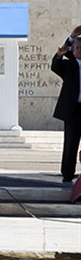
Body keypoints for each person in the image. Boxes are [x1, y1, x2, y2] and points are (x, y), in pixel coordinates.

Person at [52, 25, 81, 185]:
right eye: (76, 47)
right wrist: (71, 37)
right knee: (71, 143)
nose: (79, 49)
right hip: (73, 110)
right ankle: (68, 174)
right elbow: (55, 65)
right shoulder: (68, 66)